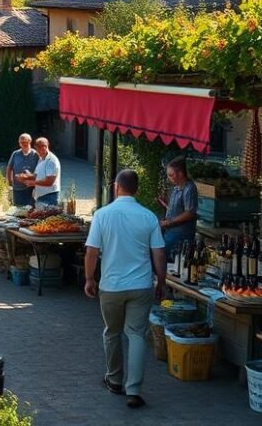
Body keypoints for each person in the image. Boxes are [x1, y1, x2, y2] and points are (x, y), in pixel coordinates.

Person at [84, 169, 167, 409]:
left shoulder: (102, 215)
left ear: (116, 187)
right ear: (137, 190)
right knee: (137, 335)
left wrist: (89, 278)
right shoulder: (148, 216)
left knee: (112, 332)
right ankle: (134, 389)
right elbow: (159, 253)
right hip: (141, 285)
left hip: (111, 286)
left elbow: (91, 251)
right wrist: (161, 281)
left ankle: (114, 380)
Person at [158, 157, 198, 257]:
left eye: (171, 175)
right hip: (171, 233)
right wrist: (167, 206)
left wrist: (169, 222)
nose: (169, 178)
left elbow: (190, 213)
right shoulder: (177, 187)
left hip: (181, 235)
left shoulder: (189, 189)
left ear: (180, 173)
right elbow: (179, 209)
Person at [25, 137, 61, 207]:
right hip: (40, 195)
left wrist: (33, 183)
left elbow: (49, 181)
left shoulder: (51, 161)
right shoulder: (41, 159)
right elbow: (35, 176)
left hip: (50, 196)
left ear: (44, 147)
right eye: (36, 149)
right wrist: (26, 176)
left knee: (48, 217)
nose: (37, 152)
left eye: (38, 149)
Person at [5, 133, 39, 207]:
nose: (23, 144)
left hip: (31, 187)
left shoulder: (36, 154)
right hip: (17, 187)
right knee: (18, 209)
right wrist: (9, 182)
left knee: (31, 210)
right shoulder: (15, 154)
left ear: (30, 141)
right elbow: (9, 167)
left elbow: (40, 169)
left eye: (25, 142)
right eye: (21, 142)